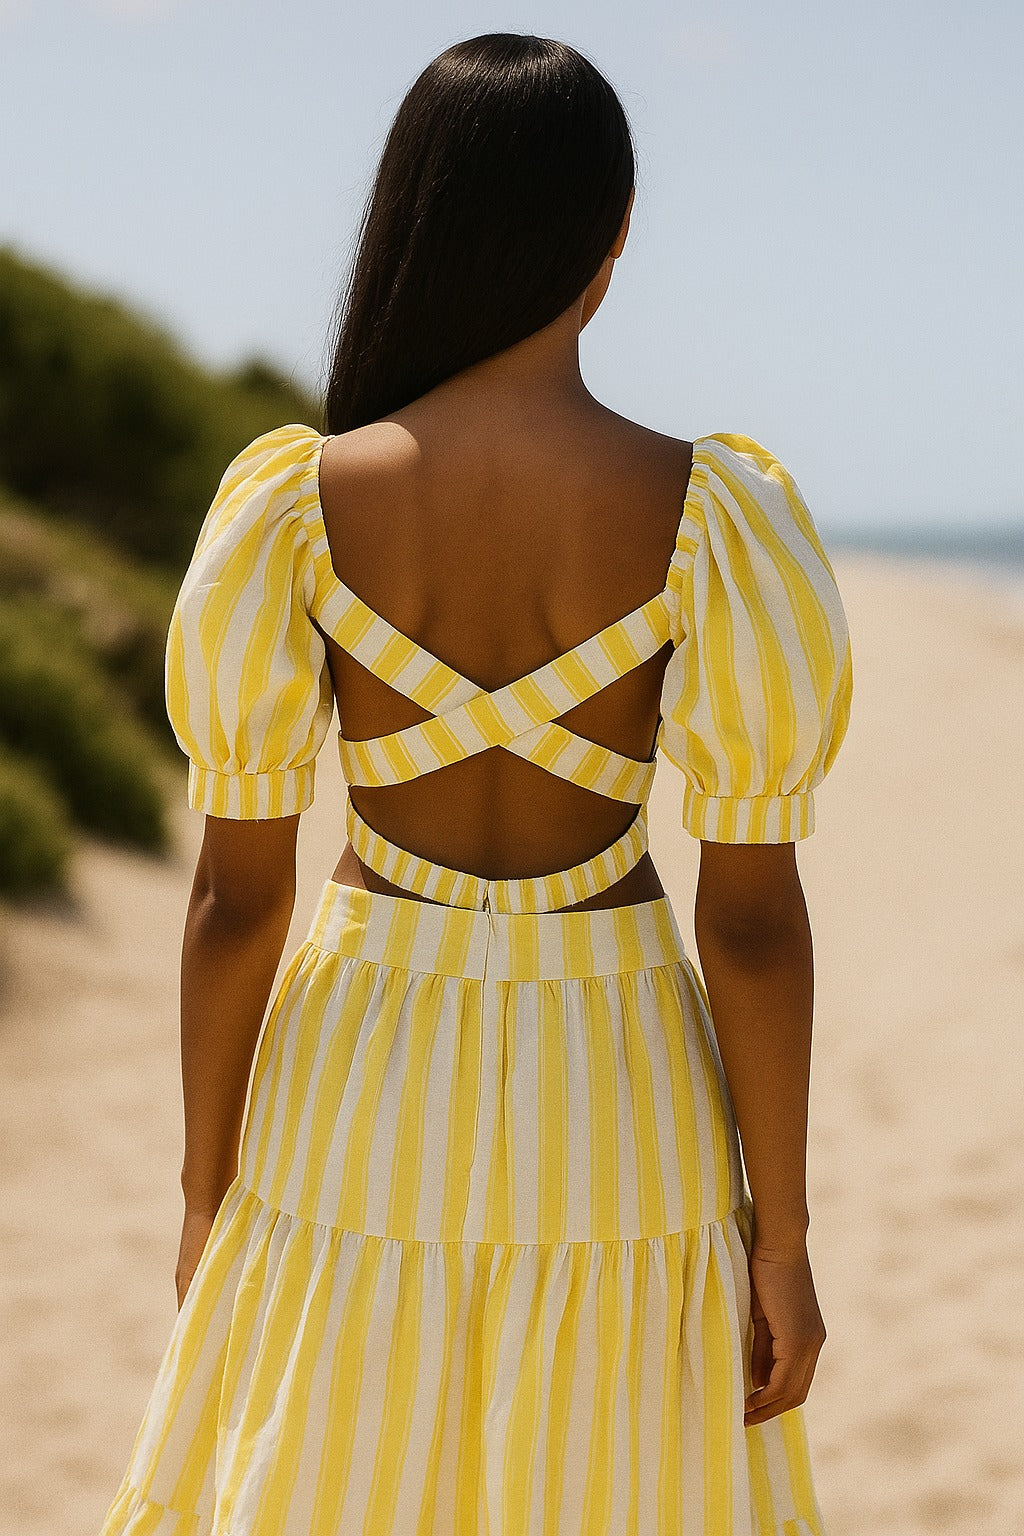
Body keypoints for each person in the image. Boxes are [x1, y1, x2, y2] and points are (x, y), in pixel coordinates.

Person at [98, 30, 852, 1536]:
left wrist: (204, 1188)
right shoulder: (720, 517)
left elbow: (236, 904)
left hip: (359, 1055)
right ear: (614, 233)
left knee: (336, 1472)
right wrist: (783, 1236)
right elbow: (754, 926)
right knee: (620, 1475)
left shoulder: (291, 510)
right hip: (617, 1061)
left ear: (415, 219)